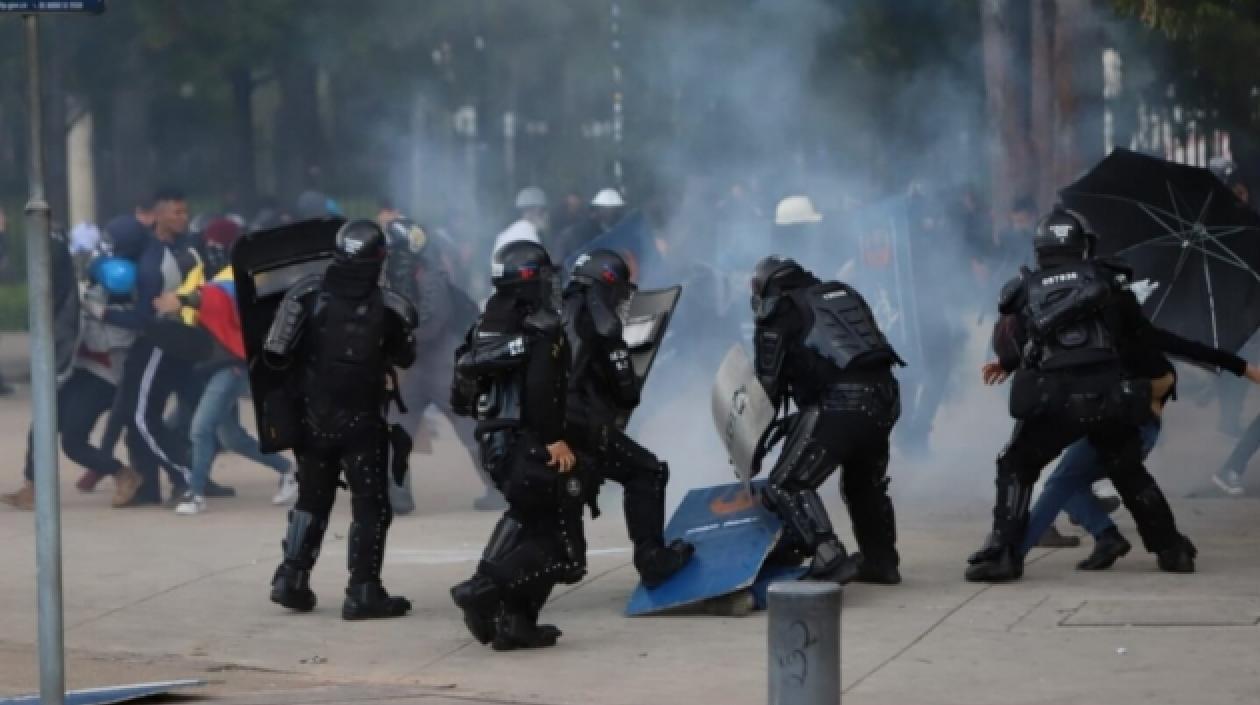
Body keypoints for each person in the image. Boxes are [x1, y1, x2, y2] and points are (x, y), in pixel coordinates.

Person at [967, 208, 1196, 582]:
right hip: (1109, 395)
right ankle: (1173, 551)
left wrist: (1008, 364)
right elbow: (1136, 340)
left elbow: (1012, 345)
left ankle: (1005, 555)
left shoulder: (1023, 289)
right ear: (1083, 245)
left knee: (1016, 465)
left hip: (1054, 400)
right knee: (1128, 470)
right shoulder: (1109, 283)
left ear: (1040, 248)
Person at [266, 219, 417, 620]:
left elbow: (273, 350)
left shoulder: (306, 293)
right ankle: (363, 589)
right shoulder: (392, 304)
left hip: (313, 418)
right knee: (371, 505)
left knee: (312, 497)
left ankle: (291, 577)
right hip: (363, 421)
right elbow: (406, 354)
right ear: (379, 258)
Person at [449, 240, 587, 651]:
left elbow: (460, 393)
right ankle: (483, 590)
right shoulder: (540, 326)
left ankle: (517, 622)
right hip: (527, 443)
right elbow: (541, 387)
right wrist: (552, 439)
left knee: (527, 521)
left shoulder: (488, 323)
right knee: (562, 547)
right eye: (545, 276)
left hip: (494, 442)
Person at [750, 255, 905, 584]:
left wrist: (753, 444)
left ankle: (828, 555)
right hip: (884, 398)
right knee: (863, 484)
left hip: (839, 403)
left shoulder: (780, 309)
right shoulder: (840, 293)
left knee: (785, 485)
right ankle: (881, 562)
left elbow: (768, 388)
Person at [561, 250, 694, 586]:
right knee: (647, 472)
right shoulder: (604, 322)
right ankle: (653, 560)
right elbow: (627, 393)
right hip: (581, 424)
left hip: (544, 424)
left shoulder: (552, 310)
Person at [171, 218, 295, 515]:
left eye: (218, 243)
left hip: (232, 362)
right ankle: (289, 470)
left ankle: (195, 493)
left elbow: (216, 298)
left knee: (200, 428)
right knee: (231, 437)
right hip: (210, 362)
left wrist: (182, 300)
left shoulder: (245, 276)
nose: (212, 248)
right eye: (210, 242)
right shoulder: (206, 271)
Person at [382, 217, 499, 513]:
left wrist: (400, 332)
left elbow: (432, 326)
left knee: (470, 428)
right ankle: (398, 494)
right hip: (410, 369)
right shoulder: (387, 280)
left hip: (441, 364)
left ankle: (498, 487)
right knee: (395, 430)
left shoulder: (433, 277)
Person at [113, 189, 202, 507]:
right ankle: (149, 484)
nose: (183, 217)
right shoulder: (145, 249)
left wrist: (103, 312)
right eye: (176, 212)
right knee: (134, 415)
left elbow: (144, 314)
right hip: (154, 341)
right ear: (157, 214)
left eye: (184, 212)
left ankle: (188, 478)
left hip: (166, 341)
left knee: (143, 417)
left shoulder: (181, 252)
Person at [491, 187, 548, 257]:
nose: (546, 215)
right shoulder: (526, 236)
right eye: (543, 210)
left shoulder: (510, 232)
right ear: (531, 211)